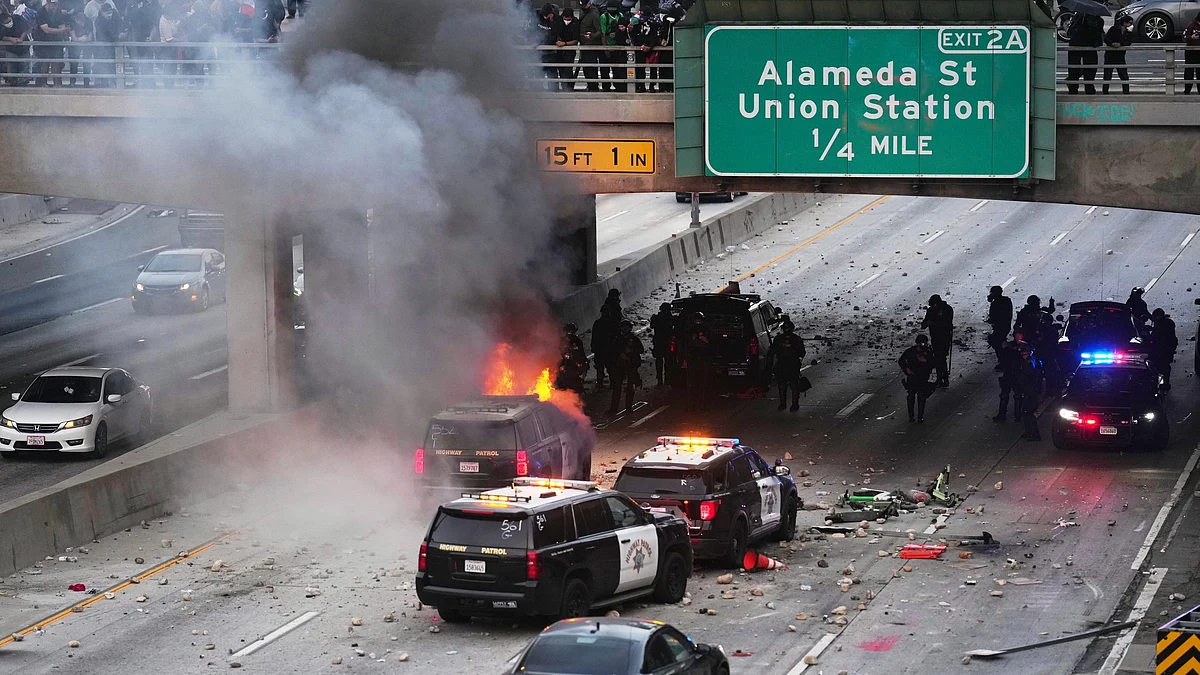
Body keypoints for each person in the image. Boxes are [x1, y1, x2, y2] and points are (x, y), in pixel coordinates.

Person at [766, 322, 806, 412]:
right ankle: (794, 405)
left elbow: (772, 352)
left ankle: (783, 404)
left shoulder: (778, 339)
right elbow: (802, 353)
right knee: (794, 385)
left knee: (782, 385)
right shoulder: (796, 339)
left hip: (782, 364)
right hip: (793, 365)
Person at [607, 319, 644, 415]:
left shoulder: (634, 339)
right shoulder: (617, 339)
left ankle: (629, 407)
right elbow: (612, 352)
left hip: (631, 366)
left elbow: (640, 350)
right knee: (617, 387)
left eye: (627, 327)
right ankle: (614, 408)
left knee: (630, 387)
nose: (625, 329)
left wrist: (631, 353)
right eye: (623, 327)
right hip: (619, 366)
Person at [898, 334, 935, 423]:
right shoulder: (910, 352)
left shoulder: (928, 352)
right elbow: (901, 361)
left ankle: (920, 417)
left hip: (923, 377)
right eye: (922, 344)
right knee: (911, 397)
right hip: (912, 377)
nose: (924, 345)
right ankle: (911, 416)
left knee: (922, 397)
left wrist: (926, 361)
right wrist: (907, 369)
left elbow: (934, 363)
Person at [1065, 12, 1103, 95]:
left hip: (1090, 46)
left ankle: (1089, 88)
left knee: (1091, 68)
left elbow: (1099, 34)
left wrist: (1097, 42)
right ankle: (1073, 88)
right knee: (1073, 68)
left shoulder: (1100, 21)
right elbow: (1072, 31)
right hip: (1076, 44)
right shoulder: (1080, 18)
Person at [33, 0, 69, 87]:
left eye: (56, 4)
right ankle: (42, 83)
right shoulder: (41, 12)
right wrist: (61, 30)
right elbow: (45, 29)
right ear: (48, 3)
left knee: (56, 62)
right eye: (53, 4)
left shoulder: (58, 11)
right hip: (43, 41)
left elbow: (61, 24)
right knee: (44, 62)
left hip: (56, 41)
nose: (54, 6)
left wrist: (63, 31)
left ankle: (57, 83)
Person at [921, 294, 954, 387]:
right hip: (935, 337)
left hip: (944, 337)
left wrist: (932, 323)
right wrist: (925, 323)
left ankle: (943, 379)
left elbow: (946, 323)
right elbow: (924, 323)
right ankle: (941, 378)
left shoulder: (947, 309)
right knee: (937, 358)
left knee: (941, 358)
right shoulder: (931, 311)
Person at [683, 311, 713, 410]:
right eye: (697, 321)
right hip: (693, 359)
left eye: (700, 321)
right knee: (692, 383)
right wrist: (685, 360)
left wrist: (703, 338)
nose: (698, 323)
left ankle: (702, 404)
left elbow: (711, 343)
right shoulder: (690, 330)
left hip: (704, 359)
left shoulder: (707, 330)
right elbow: (686, 346)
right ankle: (692, 403)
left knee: (703, 383)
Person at [993, 337, 1024, 423]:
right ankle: (1016, 416)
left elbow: (1003, 361)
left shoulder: (1009, 349)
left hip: (1012, 375)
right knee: (1014, 396)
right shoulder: (1020, 349)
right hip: (1013, 375)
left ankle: (1005, 415)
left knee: (1009, 396)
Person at [590, 303, 618, 389]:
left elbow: (616, 336)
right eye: (604, 312)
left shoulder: (612, 323)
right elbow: (594, 336)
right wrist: (594, 347)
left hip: (608, 349)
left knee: (610, 367)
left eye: (607, 312)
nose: (605, 314)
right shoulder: (598, 323)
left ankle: (611, 383)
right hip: (600, 349)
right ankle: (600, 383)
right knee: (600, 368)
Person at [1016, 345, 1041, 440]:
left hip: (1030, 391)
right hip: (1029, 390)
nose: (1023, 356)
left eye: (1025, 354)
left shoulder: (1029, 364)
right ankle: (1029, 432)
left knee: (1029, 412)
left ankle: (1034, 434)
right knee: (1026, 412)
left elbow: (1025, 377)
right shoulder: (1031, 362)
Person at [1103, 15, 1133, 95]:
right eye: (1129, 23)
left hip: (1120, 56)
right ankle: (1105, 91)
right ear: (1124, 22)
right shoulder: (1114, 29)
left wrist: (1120, 44)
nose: (1131, 25)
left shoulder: (1128, 32)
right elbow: (1106, 39)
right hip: (1110, 55)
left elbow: (1129, 42)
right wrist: (1112, 44)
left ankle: (1126, 92)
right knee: (1107, 75)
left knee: (1124, 75)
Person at [600, 1, 626, 92]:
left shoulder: (620, 16)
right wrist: (605, 48)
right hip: (607, 45)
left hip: (617, 47)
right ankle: (606, 87)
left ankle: (618, 86)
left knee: (617, 69)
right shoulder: (604, 17)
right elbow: (602, 34)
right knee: (605, 69)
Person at [552, 5, 579, 92]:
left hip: (569, 50)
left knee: (568, 69)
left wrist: (565, 43)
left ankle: (569, 88)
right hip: (559, 48)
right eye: (565, 18)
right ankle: (563, 86)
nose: (566, 20)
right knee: (560, 68)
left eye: (568, 19)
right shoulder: (559, 21)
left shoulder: (575, 23)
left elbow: (575, 40)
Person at [557, 323, 588, 395]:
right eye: (568, 331)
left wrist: (583, 362)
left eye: (571, 331)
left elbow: (581, 353)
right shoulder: (561, 340)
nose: (570, 333)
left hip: (574, 364)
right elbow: (558, 351)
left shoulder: (577, 341)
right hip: (564, 363)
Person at [1150, 308, 1177, 390]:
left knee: (1164, 366)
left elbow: (1161, 336)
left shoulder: (1166, 324)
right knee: (1163, 366)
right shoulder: (1164, 323)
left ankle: (1165, 383)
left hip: (1166, 347)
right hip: (1165, 347)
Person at [986, 285, 1013, 367]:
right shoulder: (1006, 300)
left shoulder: (997, 303)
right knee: (999, 342)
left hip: (1001, 327)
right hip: (1005, 326)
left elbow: (993, 317)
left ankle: (1004, 360)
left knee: (996, 342)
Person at [578, 0, 602, 92]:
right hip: (584, 44)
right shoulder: (583, 12)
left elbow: (599, 31)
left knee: (591, 67)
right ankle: (590, 85)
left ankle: (594, 87)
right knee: (586, 68)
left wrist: (592, 35)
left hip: (591, 45)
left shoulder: (594, 14)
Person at [0, 11, 28, 85]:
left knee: (24, 66)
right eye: (6, 23)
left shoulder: (18, 18)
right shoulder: (1, 26)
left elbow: (25, 29)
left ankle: (23, 82)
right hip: (11, 49)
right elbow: (1, 36)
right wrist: (10, 39)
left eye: (9, 21)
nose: (9, 23)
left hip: (24, 48)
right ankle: (13, 82)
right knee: (11, 66)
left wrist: (21, 39)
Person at [649, 302, 674, 386]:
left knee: (661, 361)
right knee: (667, 361)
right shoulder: (669, 318)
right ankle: (666, 379)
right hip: (664, 342)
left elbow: (652, 326)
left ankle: (661, 380)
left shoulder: (657, 317)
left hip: (660, 342)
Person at [536, 3, 557, 87]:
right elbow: (532, 30)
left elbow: (555, 33)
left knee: (552, 72)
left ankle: (554, 89)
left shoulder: (556, 19)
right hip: (540, 52)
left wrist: (552, 21)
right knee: (539, 71)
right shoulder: (537, 16)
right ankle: (539, 89)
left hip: (551, 51)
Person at [1185, 15, 1200, 94]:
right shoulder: (1191, 25)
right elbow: (1184, 38)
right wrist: (1191, 37)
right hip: (1191, 51)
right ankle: (1187, 91)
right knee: (1189, 71)